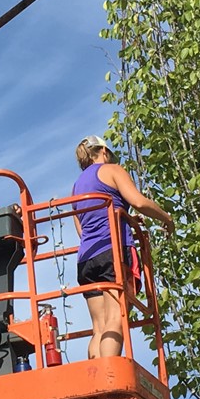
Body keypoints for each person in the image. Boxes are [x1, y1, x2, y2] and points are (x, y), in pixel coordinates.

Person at [72, 135, 174, 359]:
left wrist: (127, 218)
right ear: (104, 152)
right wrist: (166, 219)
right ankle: (109, 378)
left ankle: (96, 378)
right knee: (115, 319)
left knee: (98, 327)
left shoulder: (77, 186)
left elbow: (83, 230)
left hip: (87, 258)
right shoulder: (112, 170)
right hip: (113, 252)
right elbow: (138, 201)